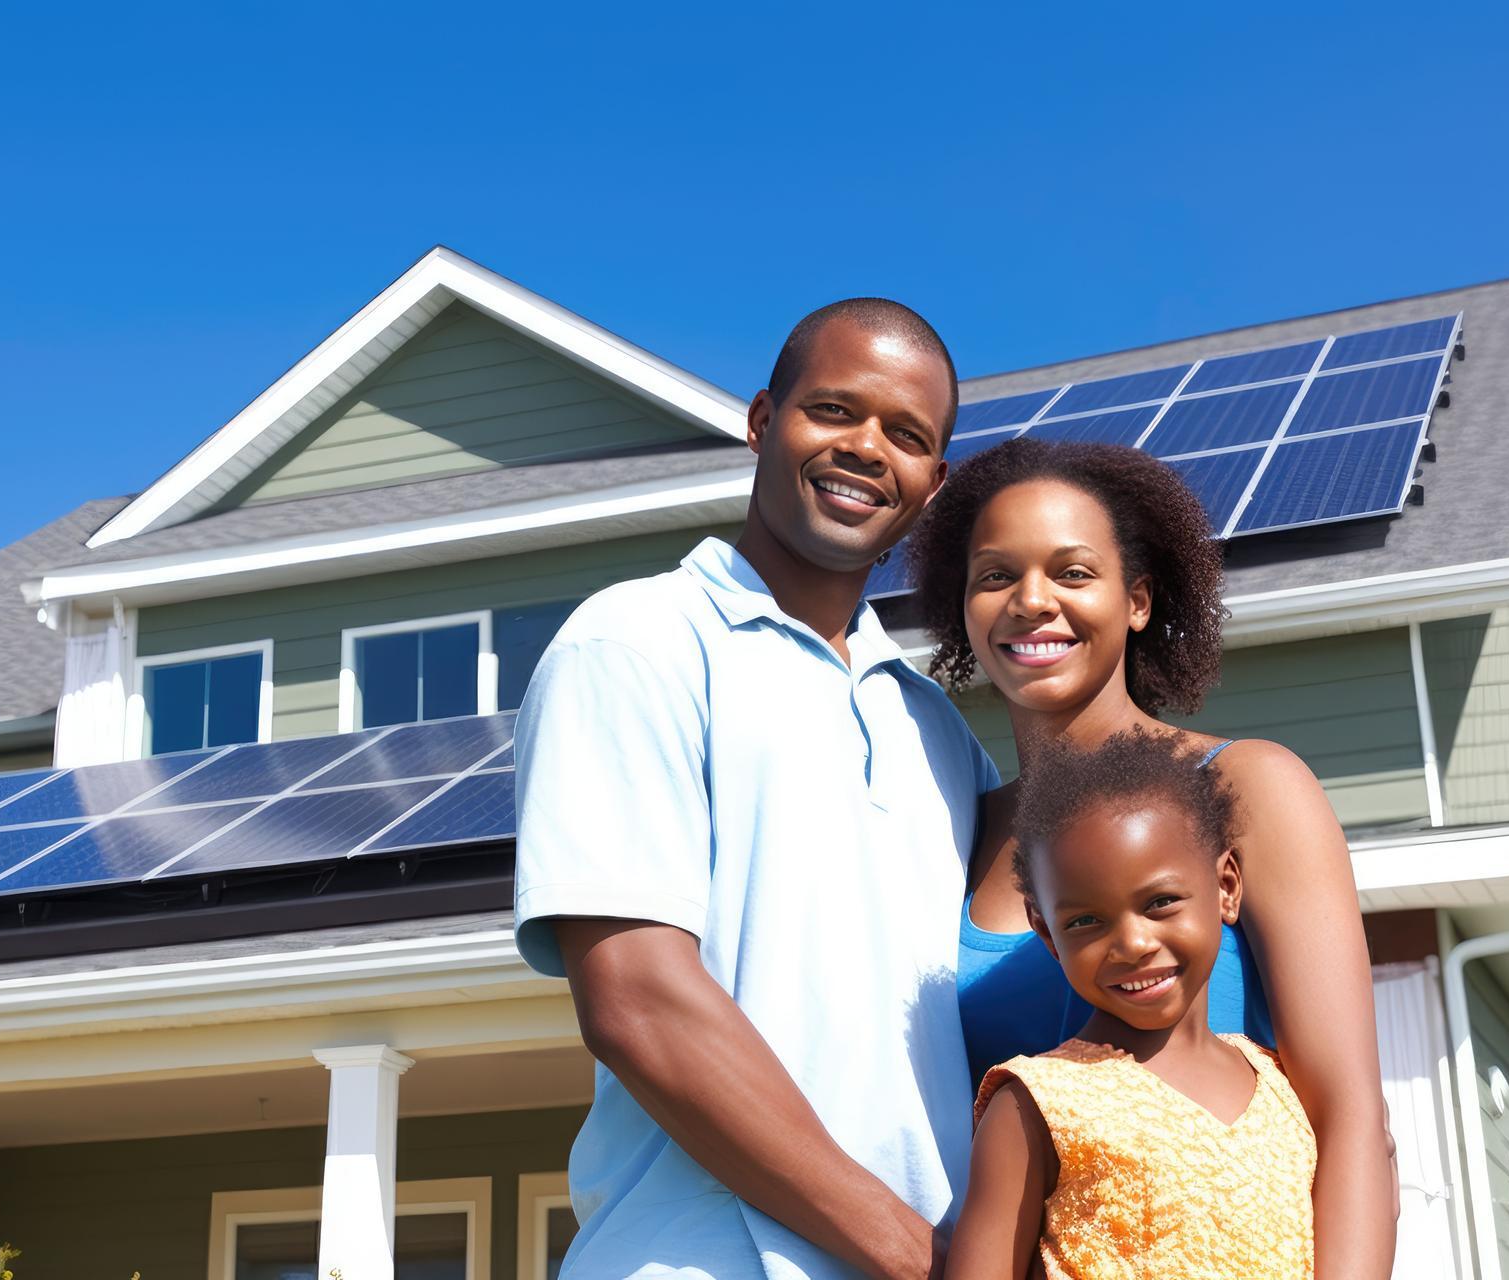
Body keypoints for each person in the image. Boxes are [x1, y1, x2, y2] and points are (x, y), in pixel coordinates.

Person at [513, 299, 999, 1278]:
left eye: (905, 434)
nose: (867, 447)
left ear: (933, 483)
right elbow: (637, 998)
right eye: (834, 411)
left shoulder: (939, 732)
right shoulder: (635, 641)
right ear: (761, 419)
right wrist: (918, 1254)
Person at [907, 437, 1395, 1278]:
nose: (1032, 601)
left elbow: (1350, 1117)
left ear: (1136, 600)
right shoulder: (955, 830)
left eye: (1072, 572)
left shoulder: (1248, 788)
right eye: (996, 576)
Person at [947, 728, 1317, 1280]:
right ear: (1047, 933)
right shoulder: (1035, 1106)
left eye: (1161, 902)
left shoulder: (1281, 1090)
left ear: (1226, 886)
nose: (1133, 943)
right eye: (1085, 921)